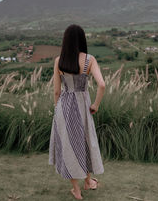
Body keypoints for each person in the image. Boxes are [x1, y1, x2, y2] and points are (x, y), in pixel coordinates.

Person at [49, 24, 105, 200]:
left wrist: (58, 110)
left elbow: (57, 91)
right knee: (85, 141)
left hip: (64, 107)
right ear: (82, 39)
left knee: (68, 147)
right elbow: (102, 85)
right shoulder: (90, 59)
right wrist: (95, 105)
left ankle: (78, 189)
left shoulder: (59, 61)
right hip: (83, 105)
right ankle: (87, 182)